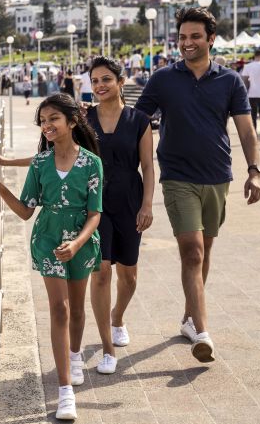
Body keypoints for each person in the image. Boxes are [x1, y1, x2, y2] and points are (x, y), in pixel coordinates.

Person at [135, 6, 260, 363]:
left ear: (210, 39)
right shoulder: (163, 79)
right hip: (177, 176)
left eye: (194, 37)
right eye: (182, 37)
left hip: (218, 175)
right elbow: (137, 118)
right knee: (192, 251)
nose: (186, 43)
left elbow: (246, 129)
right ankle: (202, 333)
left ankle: (191, 318)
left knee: (203, 252)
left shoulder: (230, 81)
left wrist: (254, 170)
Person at [0, 94, 103, 420]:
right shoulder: (40, 164)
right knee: (59, 309)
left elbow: (95, 215)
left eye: (53, 119)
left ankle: (74, 356)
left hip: (81, 243)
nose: (46, 126)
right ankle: (65, 392)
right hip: (47, 240)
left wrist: (76, 244)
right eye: (42, 121)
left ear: (72, 121)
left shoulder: (92, 163)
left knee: (77, 309)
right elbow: (24, 211)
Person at [86, 56, 155, 374]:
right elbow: (59, 154)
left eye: (105, 80)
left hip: (130, 201)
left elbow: (148, 166)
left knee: (128, 275)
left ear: (120, 82)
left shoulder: (139, 120)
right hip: (96, 204)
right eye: (94, 81)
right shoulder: (83, 119)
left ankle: (117, 317)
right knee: (101, 272)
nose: (99, 86)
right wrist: (6, 164)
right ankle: (107, 348)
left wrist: (147, 204)